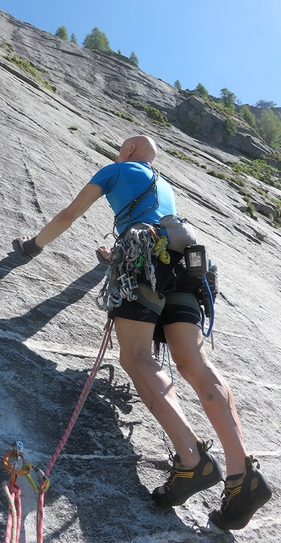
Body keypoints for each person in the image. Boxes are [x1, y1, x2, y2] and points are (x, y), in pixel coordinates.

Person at [16, 135, 271, 530]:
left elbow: (70, 215)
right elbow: (154, 224)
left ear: (130, 151)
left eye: (122, 149)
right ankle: (243, 475)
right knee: (195, 361)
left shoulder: (116, 170)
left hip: (142, 256)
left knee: (136, 357)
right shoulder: (165, 187)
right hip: (187, 264)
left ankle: (192, 462)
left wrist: (33, 245)